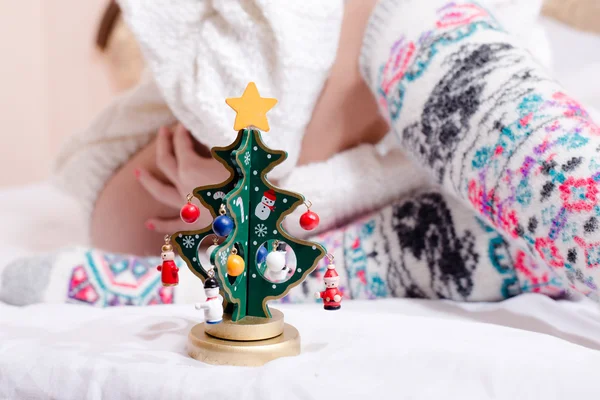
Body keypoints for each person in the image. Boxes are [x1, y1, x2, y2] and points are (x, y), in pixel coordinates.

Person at [2, 0, 599, 307]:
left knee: (514, 195)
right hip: (209, 193)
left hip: (399, 89)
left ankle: (209, 282)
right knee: (483, 222)